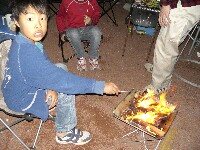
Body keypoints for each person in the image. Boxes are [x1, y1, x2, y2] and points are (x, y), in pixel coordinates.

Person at [2, 0, 120, 145]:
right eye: (30, 19)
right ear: (17, 22)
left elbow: (44, 66)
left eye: (42, 18)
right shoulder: (26, 53)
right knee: (65, 89)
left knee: (60, 68)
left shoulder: (28, 41)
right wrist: (99, 86)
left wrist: (49, 86)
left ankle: (54, 99)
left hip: (20, 85)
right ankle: (64, 132)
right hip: (22, 98)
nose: (38, 25)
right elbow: (63, 82)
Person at [145, 0, 200, 94]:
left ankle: (160, 85)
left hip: (185, 4)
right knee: (171, 42)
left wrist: (166, 4)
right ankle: (161, 70)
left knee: (166, 46)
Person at [56, 0, 102, 71]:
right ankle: (81, 57)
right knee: (73, 33)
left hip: (87, 28)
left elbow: (97, 14)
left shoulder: (92, 1)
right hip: (72, 29)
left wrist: (91, 21)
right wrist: (61, 32)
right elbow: (60, 17)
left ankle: (93, 57)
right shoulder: (66, 2)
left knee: (97, 32)